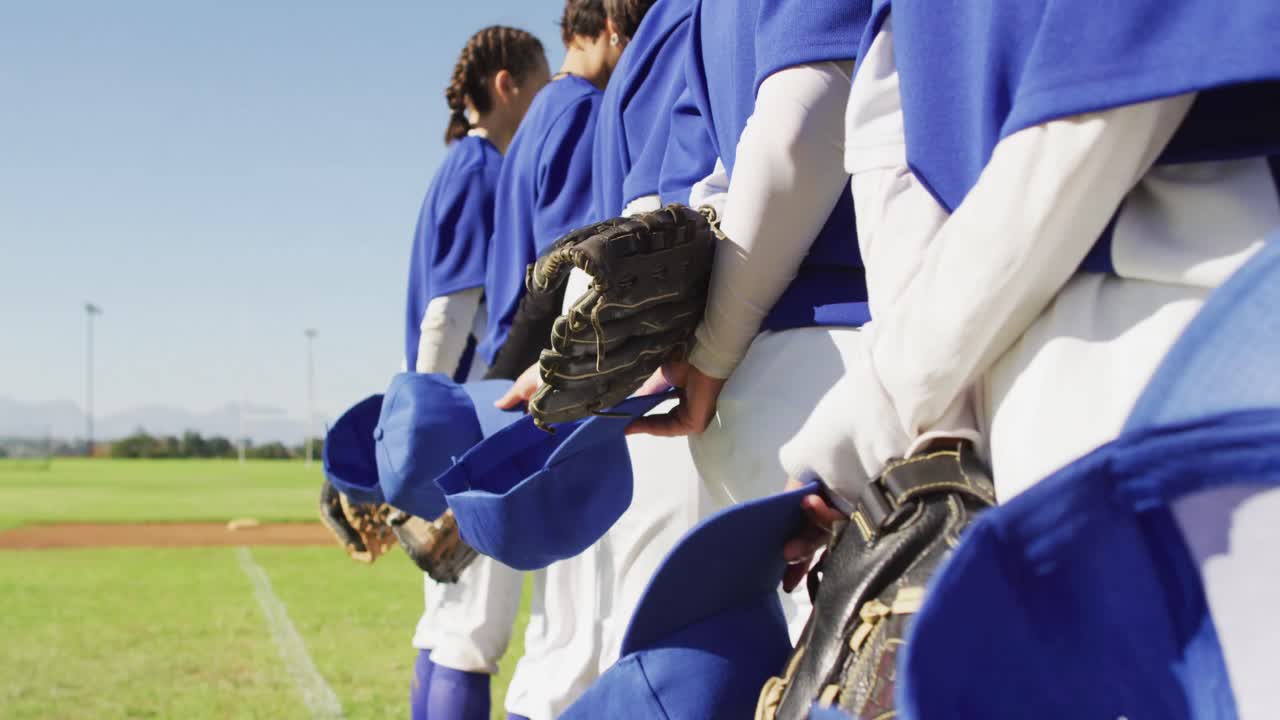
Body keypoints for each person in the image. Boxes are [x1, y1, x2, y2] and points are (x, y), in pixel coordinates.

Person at [784, 0, 1280, 713]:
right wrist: (904, 410)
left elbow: (902, 188)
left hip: (1086, 375)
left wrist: (906, 416)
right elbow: (1091, 116)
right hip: (1176, 342)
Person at [465, 4, 623, 718]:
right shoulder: (583, 109)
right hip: (560, 384)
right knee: (574, 645)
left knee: (553, 635)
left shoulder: (533, 121)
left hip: (518, 377)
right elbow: (578, 263)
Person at [402, 25, 549, 720]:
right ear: (506, 85)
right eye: (539, 86)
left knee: (446, 625)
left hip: (451, 415)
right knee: (472, 632)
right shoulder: (482, 168)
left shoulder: (456, 166)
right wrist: (429, 432)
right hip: (469, 419)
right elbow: (451, 310)